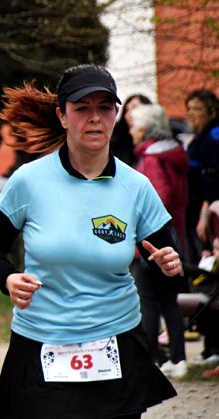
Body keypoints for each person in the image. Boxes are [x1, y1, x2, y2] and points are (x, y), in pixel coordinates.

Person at [0, 64, 183, 419]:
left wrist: (170, 265)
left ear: (116, 115)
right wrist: (8, 278)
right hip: (42, 339)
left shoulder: (135, 186)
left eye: (104, 108)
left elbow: (170, 262)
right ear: (62, 115)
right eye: (82, 108)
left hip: (116, 340)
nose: (94, 118)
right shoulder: (29, 181)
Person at [128, 103, 189, 377]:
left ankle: (153, 359)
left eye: (132, 127)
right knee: (169, 300)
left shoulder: (151, 159)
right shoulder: (170, 154)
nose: (130, 132)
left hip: (150, 244)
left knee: (149, 301)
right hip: (173, 238)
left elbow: (157, 200)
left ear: (143, 130)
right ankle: (177, 358)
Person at [184, 90, 219, 365]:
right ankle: (209, 345)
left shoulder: (214, 136)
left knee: (210, 276)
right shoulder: (199, 137)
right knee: (203, 276)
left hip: (208, 211)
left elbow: (212, 178)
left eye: (197, 108)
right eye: (189, 108)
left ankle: (214, 346)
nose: (191, 113)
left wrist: (205, 214)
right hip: (197, 207)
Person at [109, 94, 152, 167]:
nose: (129, 114)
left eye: (135, 108)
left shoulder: (159, 144)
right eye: (127, 110)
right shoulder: (116, 142)